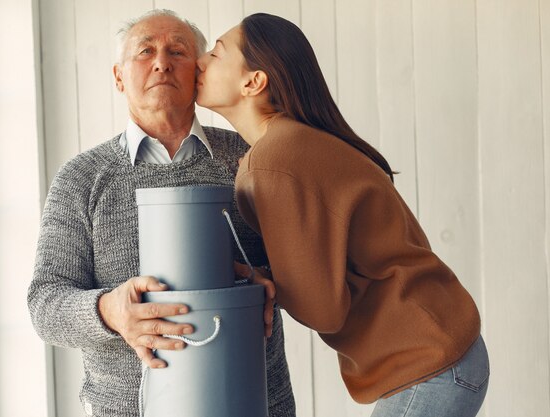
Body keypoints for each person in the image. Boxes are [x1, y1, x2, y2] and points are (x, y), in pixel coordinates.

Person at [196, 12, 490, 417]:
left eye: (215, 53)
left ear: (253, 81)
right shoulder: (290, 146)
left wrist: (255, 282)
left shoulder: (274, 158)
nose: (200, 61)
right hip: (438, 352)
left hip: (429, 363)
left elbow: (323, 310)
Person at [28, 9, 296, 417]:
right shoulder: (82, 178)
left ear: (199, 74)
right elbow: (45, 304)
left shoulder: (252, 157)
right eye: (145, 51)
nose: (161, 61)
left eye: (177, 50)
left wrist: (266, 285)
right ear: (118, 76)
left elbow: (306, 269)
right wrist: (109, 310)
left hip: (255, 401)